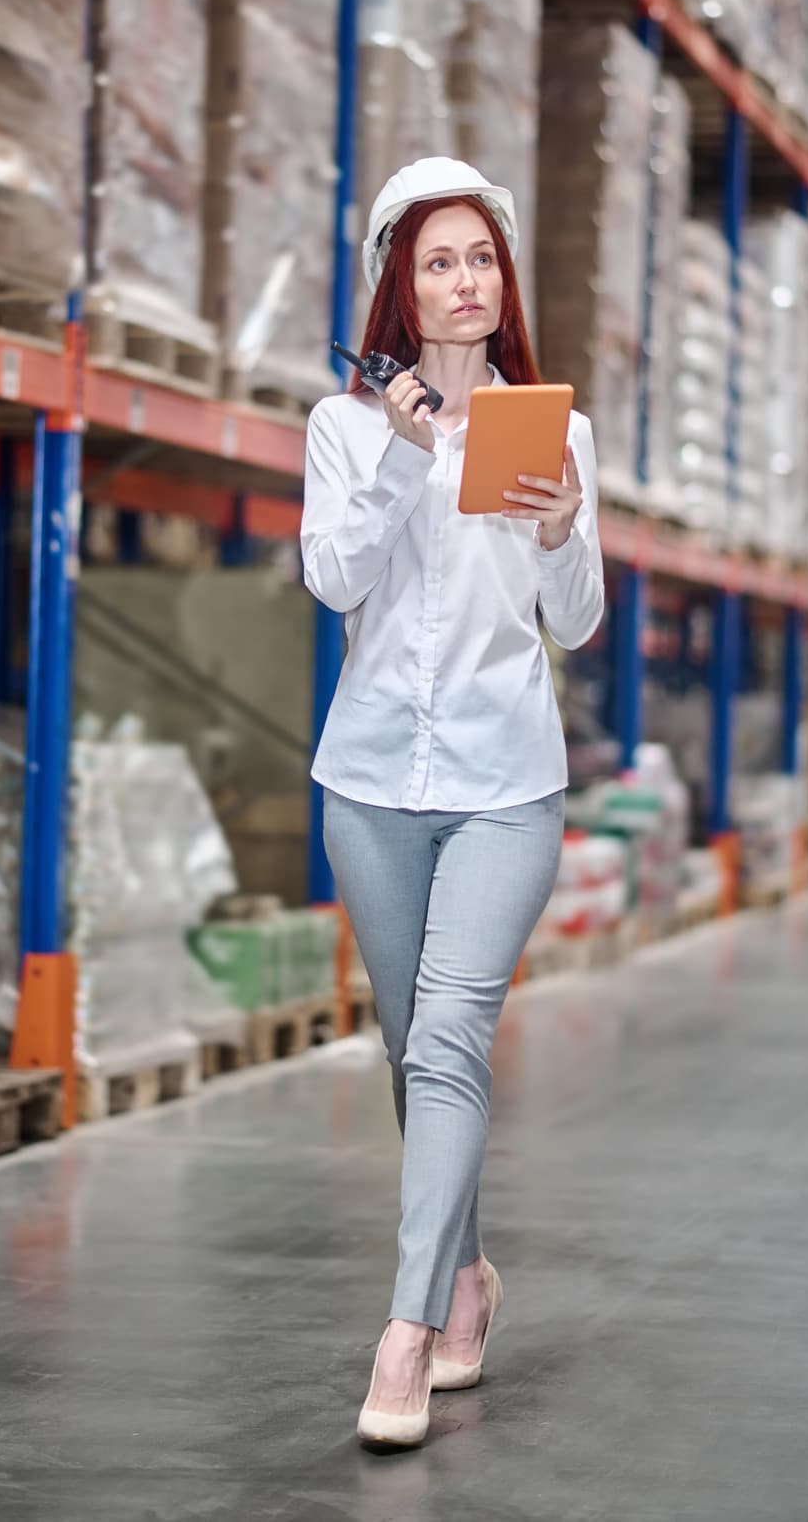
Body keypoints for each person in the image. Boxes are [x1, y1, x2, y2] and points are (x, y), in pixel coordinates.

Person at [300, 158, 605, 1449]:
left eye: (482, 259)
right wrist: (403, 458)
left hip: (502, 786)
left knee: (452, 1034)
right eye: (439, 261)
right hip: (370, 784)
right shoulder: (347, 427)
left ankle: (408, 1332)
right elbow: (330, 579)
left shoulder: (558, 434)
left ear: (504, 280)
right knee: (416, 1052)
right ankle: (468, 1275)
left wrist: (563, 527)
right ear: (398, 287)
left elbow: (576, 626)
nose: (465, 281)